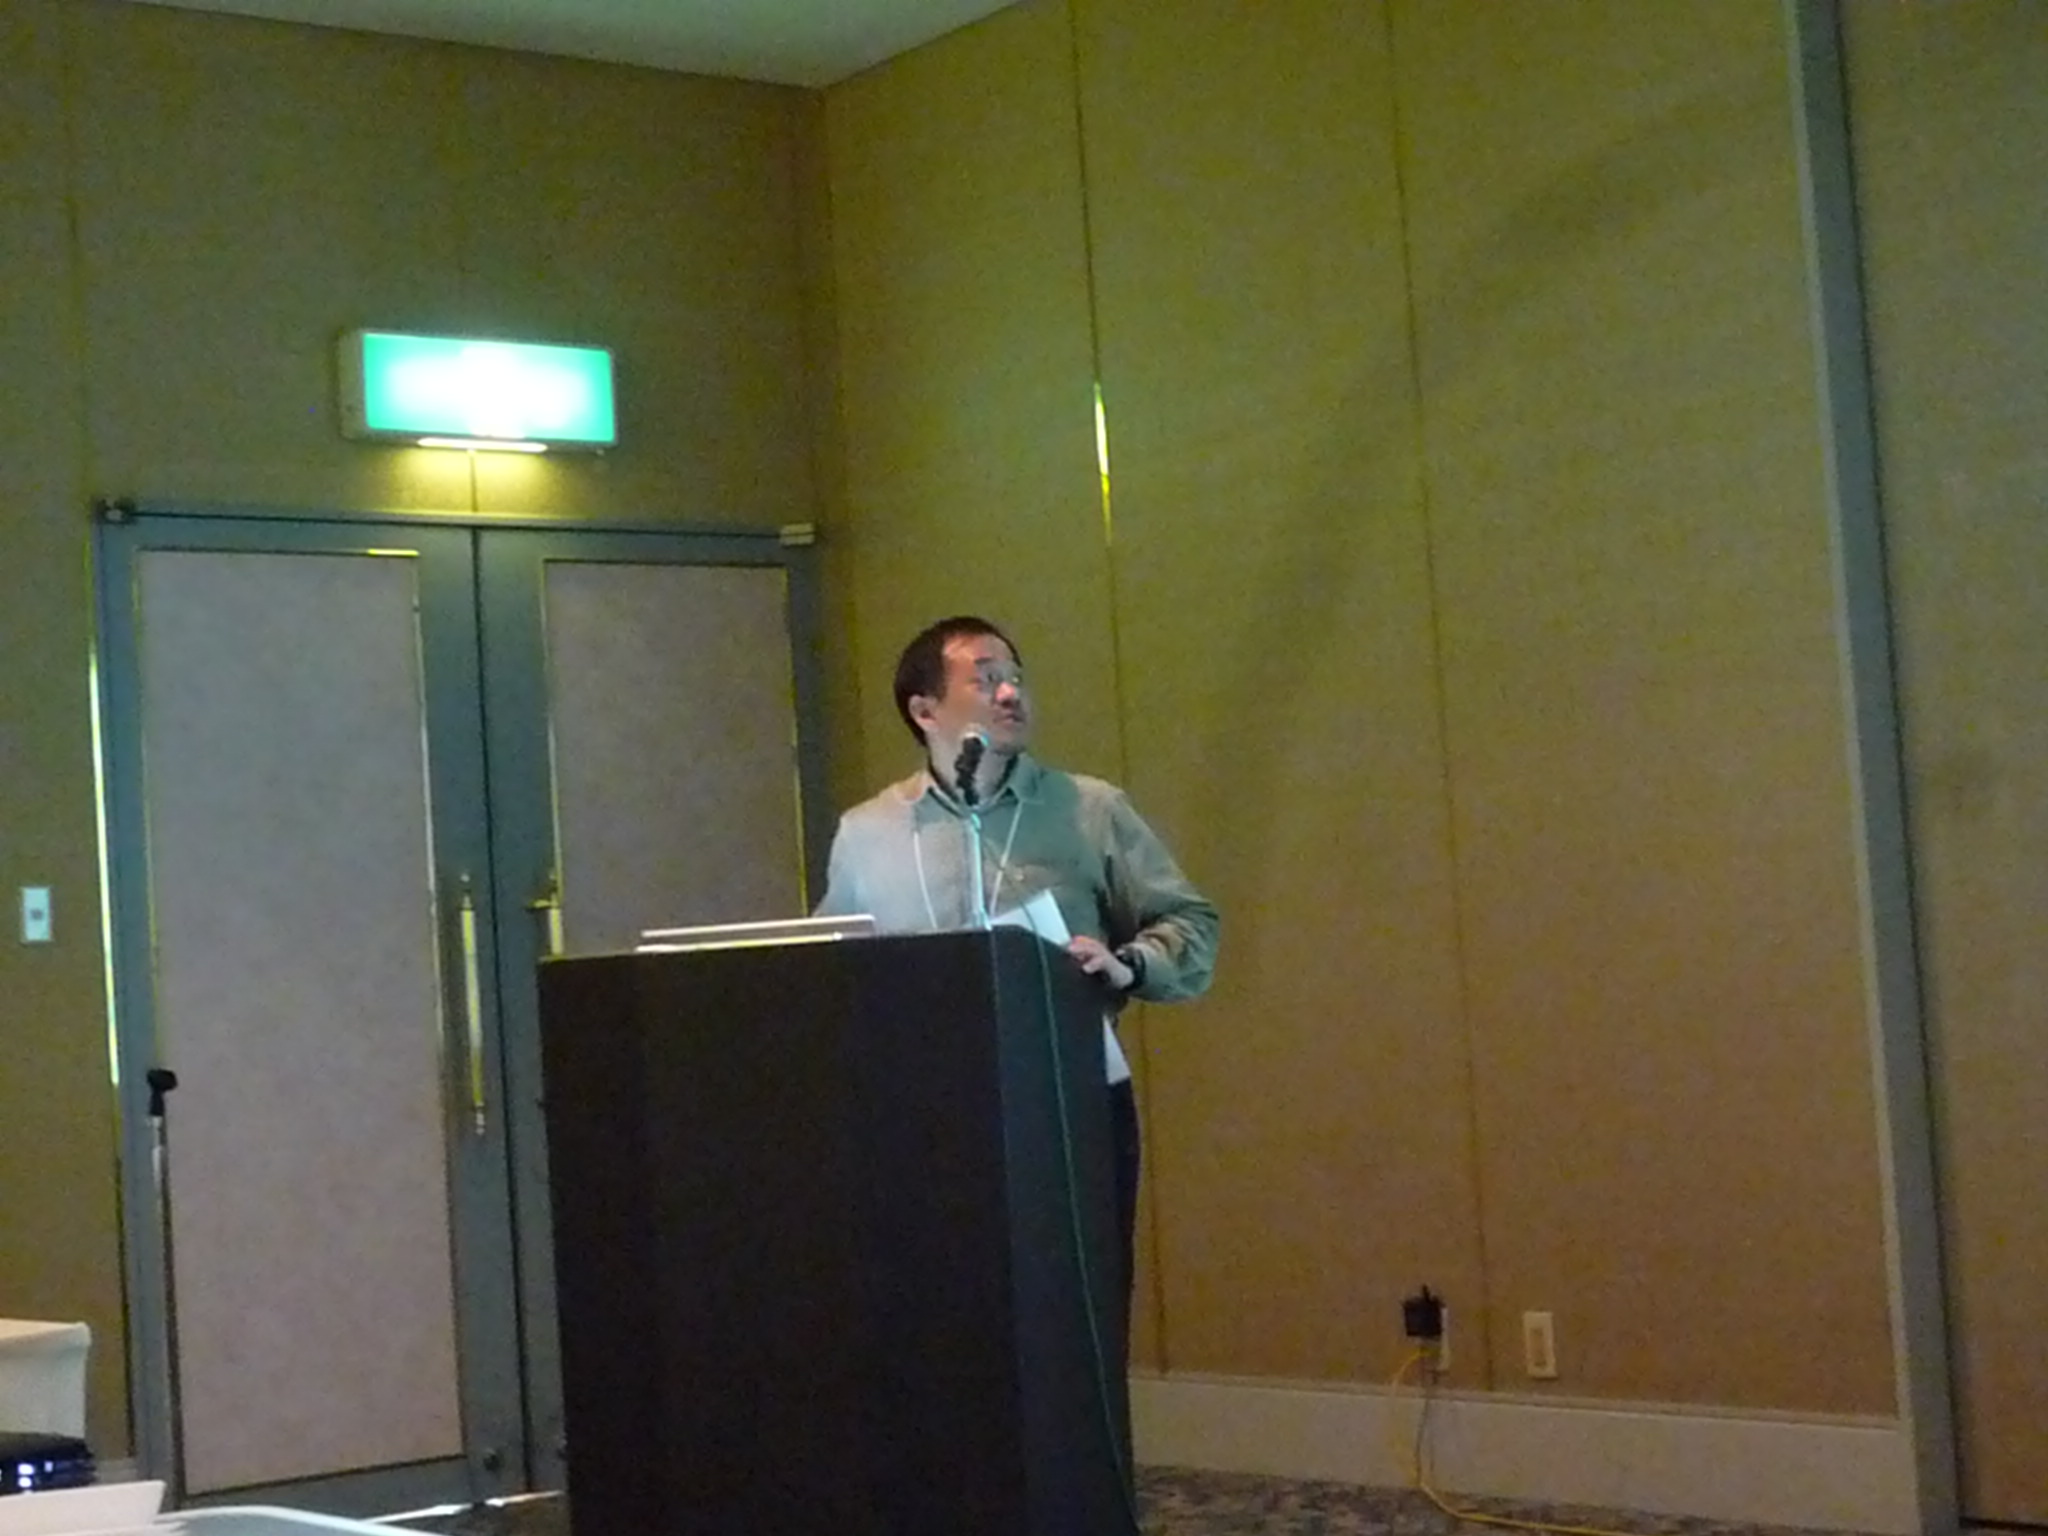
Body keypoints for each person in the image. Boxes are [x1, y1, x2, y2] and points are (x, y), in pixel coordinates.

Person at [814, 614, 1219, 1333]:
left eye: (1015, 678)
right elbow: (831, 967)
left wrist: (1126, 965)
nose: (1009, 694)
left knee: (1075, 1316)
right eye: (986, 679)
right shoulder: (868, 832)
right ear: (925, 710)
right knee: (940, 1318)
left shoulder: (1088, 809)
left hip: (1068, 1098)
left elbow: (1192, 924)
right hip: (923, 1110)